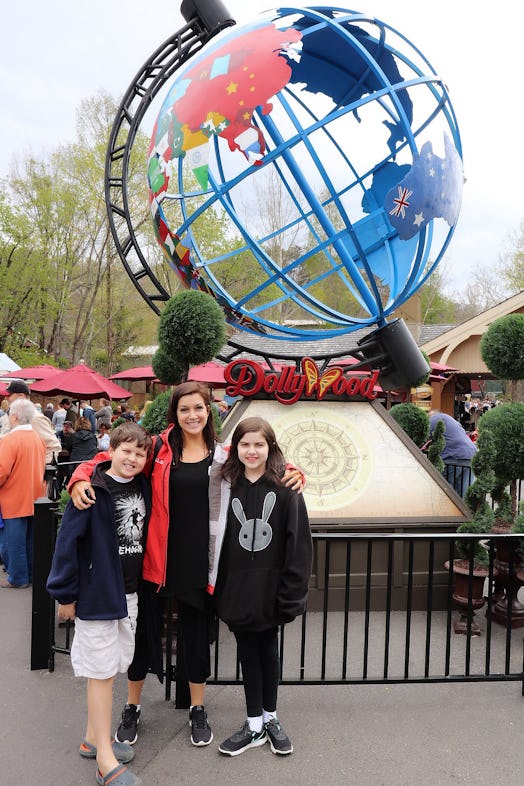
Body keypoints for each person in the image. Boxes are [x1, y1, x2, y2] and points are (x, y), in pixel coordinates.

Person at [69, 381, 304, 750]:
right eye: (184, 409)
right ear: (174, 415)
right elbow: (113, 459)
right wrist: (80, 476)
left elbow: (261, 456)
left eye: (198, 407)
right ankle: (132, 707)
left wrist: (295, 471)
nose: (191, 415)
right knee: (143, 638)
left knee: (195, 641)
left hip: (201, 564)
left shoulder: (224, 454)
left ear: (208, 410)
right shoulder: (160, 449)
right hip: (157, 560)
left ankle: (197, 709)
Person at [46, 423, 153, 786]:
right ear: (111, 449)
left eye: (140, 453)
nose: (133, 458)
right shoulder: (92, 488)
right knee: (102, 671)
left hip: (128, 591)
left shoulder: (142, 484)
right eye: (127, 450)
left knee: (113, 664)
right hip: (97, 593)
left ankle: (94, 736)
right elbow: (67, 543)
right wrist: (65, 594)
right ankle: (105, 760)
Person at [208, 417, 312, 757]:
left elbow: (298, 546)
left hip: (270, 590)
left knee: (268, 651)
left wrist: (291, 595)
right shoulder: (225, 486)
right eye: (245, 444)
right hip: (235, 588)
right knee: (247, 654)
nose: (252, 451)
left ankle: (270, 718)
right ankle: (254, 723)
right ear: (235, 448)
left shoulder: (286, 489)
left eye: (259, 444)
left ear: (270, 448)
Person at [0, 398, 46, 588]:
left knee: (14, 543)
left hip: (13, 497)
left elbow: (1, 470)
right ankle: (30, 574)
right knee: (29, 541)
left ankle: (18, 578)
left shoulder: (9, 440)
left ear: (14, 417)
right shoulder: (38, 438)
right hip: (35, 495)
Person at [0, 380, 61, 464]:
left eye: (9, 395)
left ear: (21, 396)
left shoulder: (35, 418)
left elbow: (53, 447)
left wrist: (37, 467)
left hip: (22, 471)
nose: (6, 398)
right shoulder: (11, 414)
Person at [429, 410, 477, 498]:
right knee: (464, 492)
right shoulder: (451, 420)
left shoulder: (434, 418)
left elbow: (425, 436)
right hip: (471, 454)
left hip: (454, 456)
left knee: (444, 489)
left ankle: (447, 509)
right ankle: (464, 510)